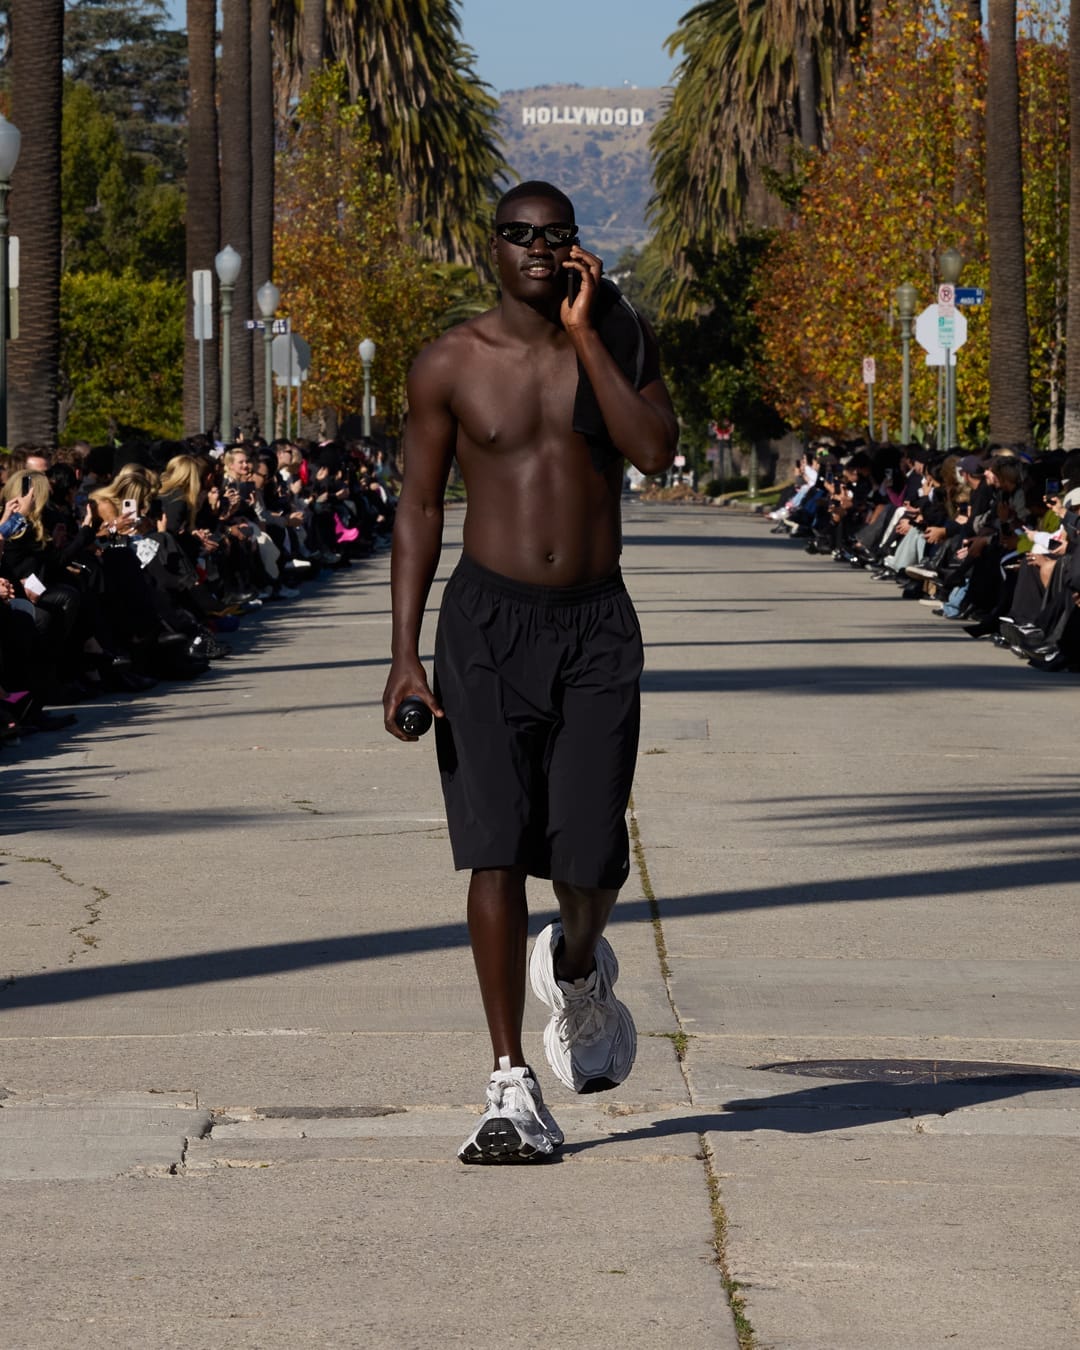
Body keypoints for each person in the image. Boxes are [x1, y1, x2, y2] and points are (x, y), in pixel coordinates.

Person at [381, 181, 678, 1164]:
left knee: (590, 860)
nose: (538, 251)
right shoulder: (449, 364)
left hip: (597, 627)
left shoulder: (621, 339)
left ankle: (581, 966)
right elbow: (420, 508)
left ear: (579, 249)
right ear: (491, 251)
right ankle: (509, 1083)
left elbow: (655, 451)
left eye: (557, 238)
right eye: (519, 237)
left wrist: (592, 333)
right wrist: (403, 654)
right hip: (487, 627)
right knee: (494, 849)